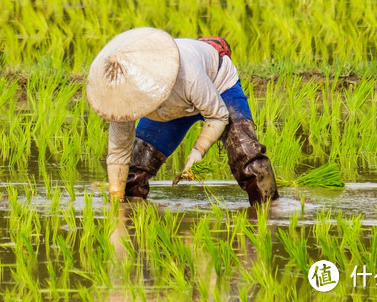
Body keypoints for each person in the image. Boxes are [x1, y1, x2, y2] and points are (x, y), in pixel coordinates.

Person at [85, 27, 278, 206]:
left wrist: (198, 150)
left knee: (248, 157)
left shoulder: (189, 74)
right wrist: (116, 202)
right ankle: (138, 223)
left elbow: (218, 116)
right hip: (168, 106)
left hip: (218, 86)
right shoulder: (123, 97)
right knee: (134, 172)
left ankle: (269, 213)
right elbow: (119, 155)